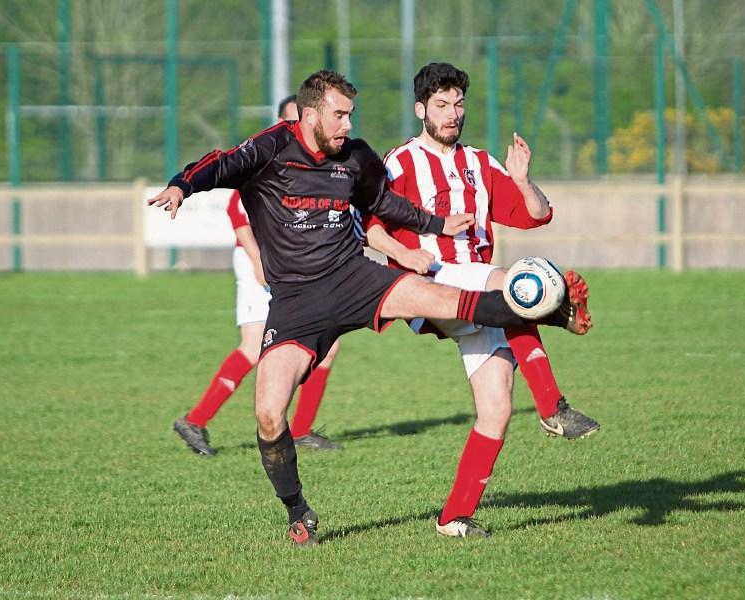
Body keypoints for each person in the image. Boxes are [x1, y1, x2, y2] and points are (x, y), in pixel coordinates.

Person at [147, 69, 588, 546]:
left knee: (468, 316)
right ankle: (298, 512)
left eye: (350, 115)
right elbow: (219, 164)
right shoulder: (271, 148)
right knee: (270, 415)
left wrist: (437, 223)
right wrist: (181, 185)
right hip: (296, 301)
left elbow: (384, 203)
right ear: (310, 115)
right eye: (339, 115)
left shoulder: (358, 157)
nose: (347, 125)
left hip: (355, 278)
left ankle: (549, 318)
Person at [363, 62, 598, 538]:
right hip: (432, 282)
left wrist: (522, 179)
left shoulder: (480, 163)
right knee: (509, 284)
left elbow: (537, 215)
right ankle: (552, 403)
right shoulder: (400, 162)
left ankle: (453, 517)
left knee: (497, 408)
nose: (453, 114)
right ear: (420, 110)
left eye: (458, 104)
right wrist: (404, 254)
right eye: (441, 105)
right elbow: (369, 225)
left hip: (478, 287)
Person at [173, 96, 342, 455]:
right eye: (292, 120)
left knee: (327, 345)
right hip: (258, 261)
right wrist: (257, 260)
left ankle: (301, 429)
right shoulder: (267, 153)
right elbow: (238, 211)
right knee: (253, 347)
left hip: (290, 263)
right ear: (281, 121)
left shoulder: (314, 162)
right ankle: (196, 420)